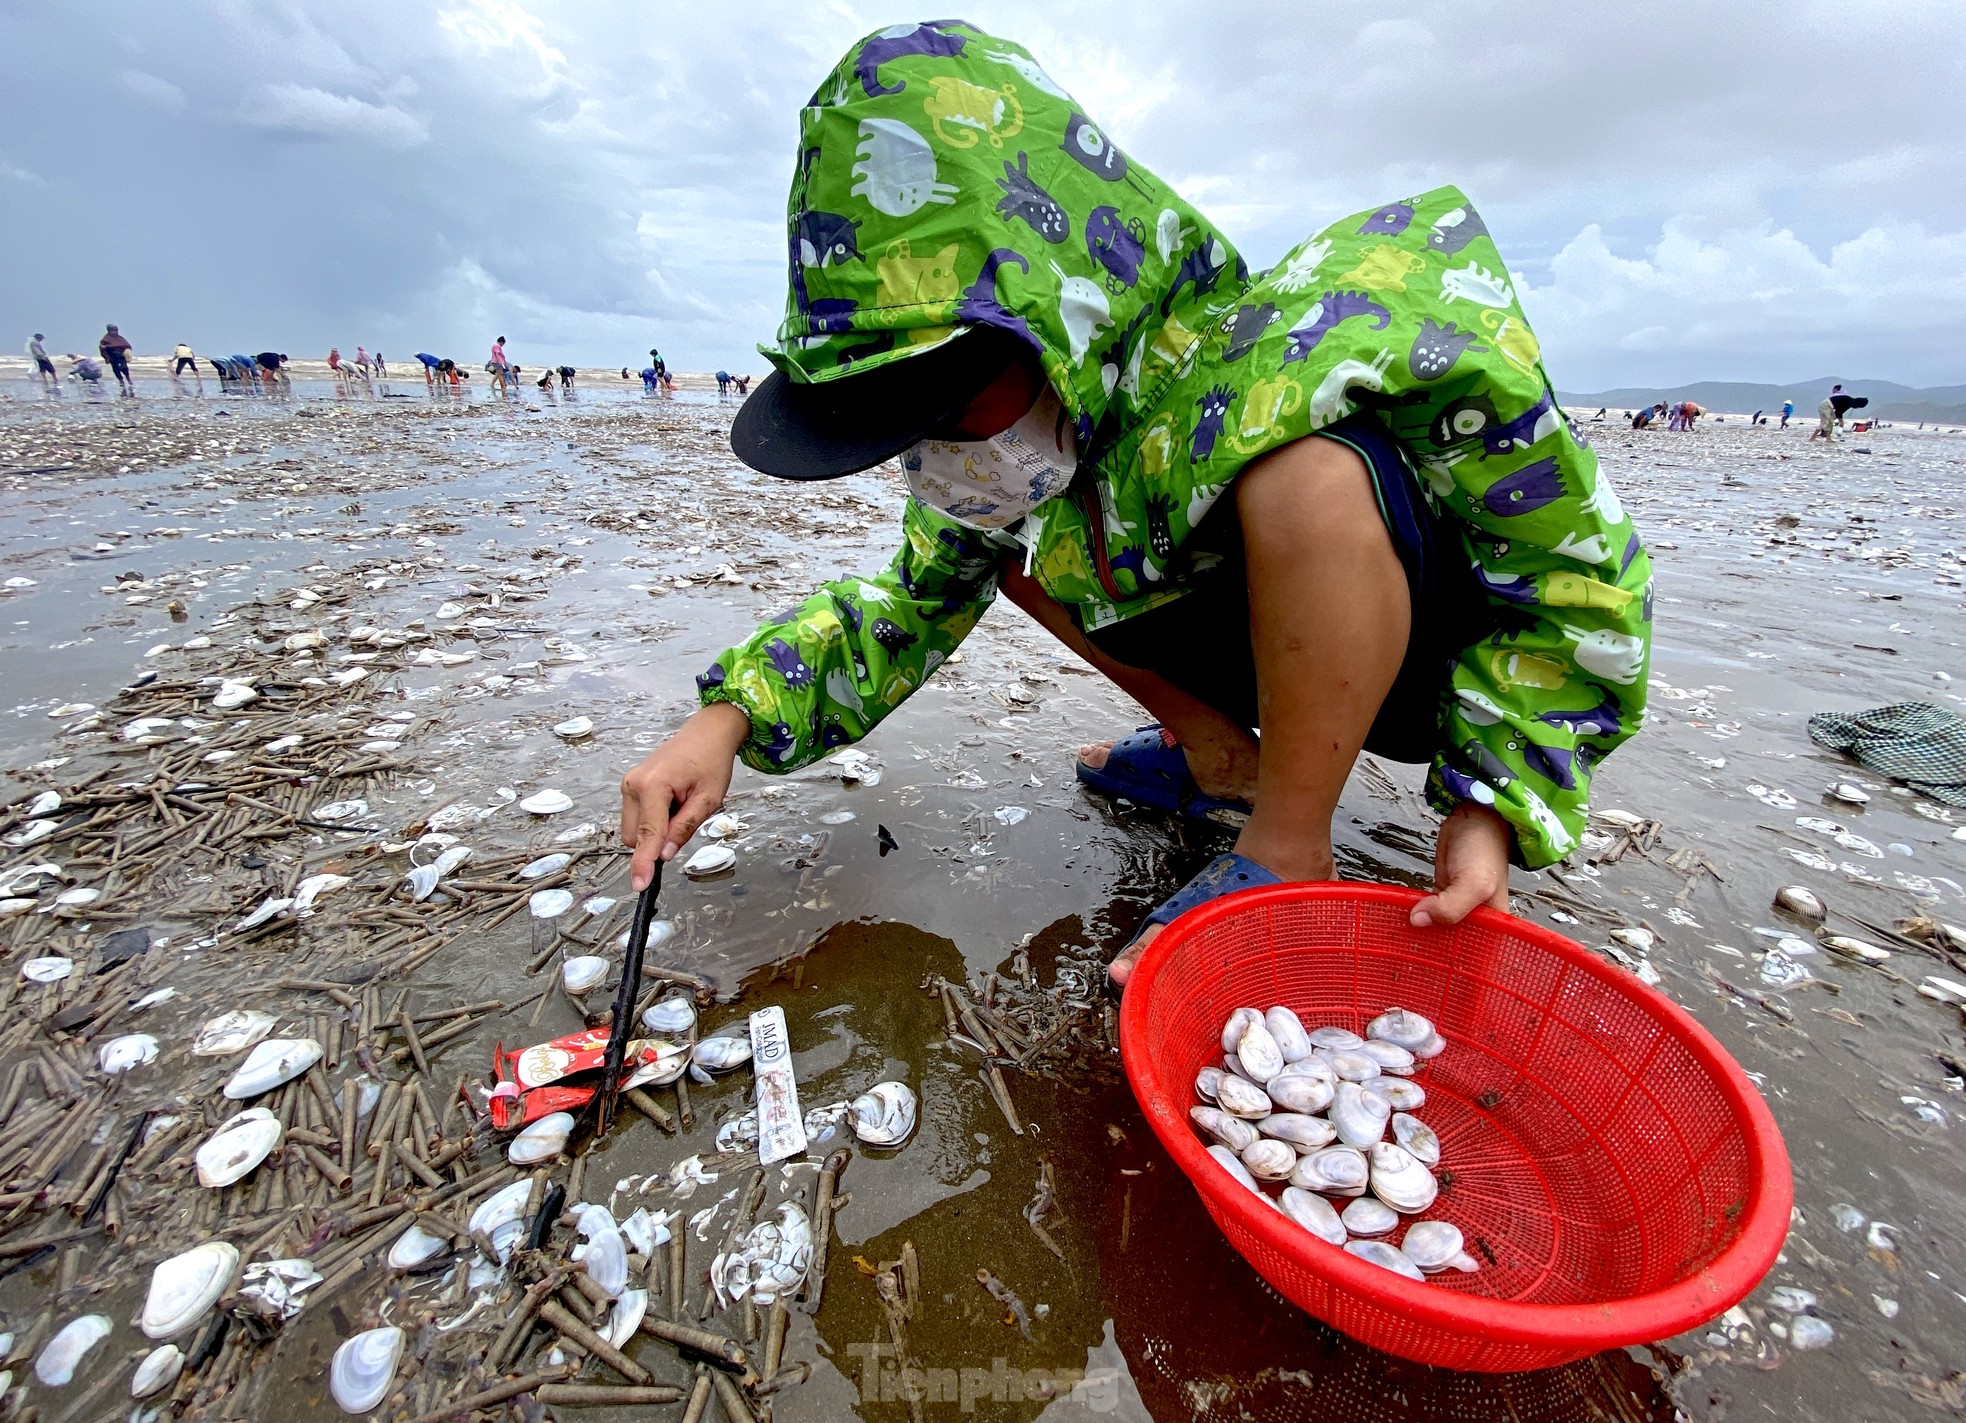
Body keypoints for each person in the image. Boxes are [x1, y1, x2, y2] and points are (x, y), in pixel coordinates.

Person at [615, 23, 1652, 989]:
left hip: (1421, 667)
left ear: (1052, 324)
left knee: (1303, 471)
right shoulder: (1018, 451)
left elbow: (1573, 566)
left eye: (948, 401)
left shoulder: (1305, 343)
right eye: (905, 426)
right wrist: (727, 716)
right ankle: (1222, 754)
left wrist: (1494, 800)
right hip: (1268, 656)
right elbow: (907, 602)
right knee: (1000, 547)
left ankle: (1285, 843)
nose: (939, 450)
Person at [99, 324, 135, 395]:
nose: (114, 332)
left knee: (124, 367)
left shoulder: (120, 338)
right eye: (113, 330)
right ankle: (121, 380)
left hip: (121, 355)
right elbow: (102, 347)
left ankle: (128, 378)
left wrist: (127, 353)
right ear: (109, 331)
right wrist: (105, 351)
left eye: (116, 330)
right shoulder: (106, 339)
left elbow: (127, 345)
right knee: (116, 369)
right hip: (112, 356)